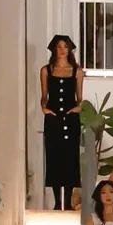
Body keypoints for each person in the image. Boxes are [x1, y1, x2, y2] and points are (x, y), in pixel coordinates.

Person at [38, 33, 82, 210]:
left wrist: (78, 107)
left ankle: (68, 200)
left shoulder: (77, 71)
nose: (63, 50)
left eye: (65, 47)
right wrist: (44, 107)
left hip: (71, 118)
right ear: (54, 50)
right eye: (59, 47)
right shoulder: (46, 70)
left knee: (70, 156)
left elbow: (80, 97)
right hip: (54, 117)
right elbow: (44, 95)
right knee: (54, 155)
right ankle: (57, 201)